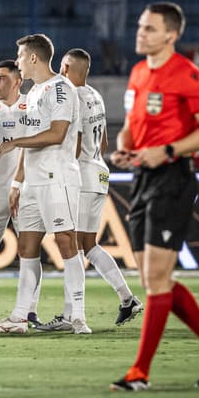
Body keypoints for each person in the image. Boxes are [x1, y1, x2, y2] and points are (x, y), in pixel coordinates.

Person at [109, 2, 199, 391]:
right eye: (140, 26)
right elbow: (132, 127)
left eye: (149, 28)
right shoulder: (136, 72)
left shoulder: (187, 74)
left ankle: (140, 373)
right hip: (145, 178)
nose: (140, 33)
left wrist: (167, 151)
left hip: (174, 179)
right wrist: (123, 148)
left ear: (171, 34)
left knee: (157, 280)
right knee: (153, 279)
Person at [0, 34, 89, 334]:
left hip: (56, 178)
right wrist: (18, 182)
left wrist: (14, 142)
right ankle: (21, 317)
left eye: (20, 56)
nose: (18, 61)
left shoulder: (61, 89)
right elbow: (30, 144)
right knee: (26, 246)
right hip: (33, 182)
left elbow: (58, 133)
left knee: (65, 242)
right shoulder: (34, 92)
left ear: (33, 58)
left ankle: (77, 316)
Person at [59, 48, 142, 326]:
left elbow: (77, 143)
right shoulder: (96, 96)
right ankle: (127, 298)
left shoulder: (73, 98)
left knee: (74, 248)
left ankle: (71, 314)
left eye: (62, 66)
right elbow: (104, 142)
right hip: (100, 172)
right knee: (87, 245)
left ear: (68, 68)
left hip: (81, 176)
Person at [0, 60, 41, 331]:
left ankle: (29, 311)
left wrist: (20, 180)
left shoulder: (33, 105)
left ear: (17, 81)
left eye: (2, 77)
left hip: (24, 190)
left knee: (29, 251)